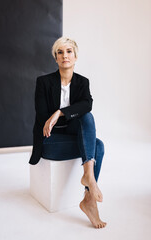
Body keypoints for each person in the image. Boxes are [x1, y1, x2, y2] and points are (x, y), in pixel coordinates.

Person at [29, 37, 106, 228]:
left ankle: (89, 196)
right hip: (50, 141)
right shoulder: (44, 82)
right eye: (60, 52)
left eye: (69, 51)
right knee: (96, 145)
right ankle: (89, 186)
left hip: (72, 135)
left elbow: (87, 104)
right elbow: (42, 115)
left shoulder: (82, 82)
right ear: (56, 58)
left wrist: (60, 112)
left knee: (91, 126)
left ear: (76, 56)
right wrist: (69, 113)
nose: (65, 56)